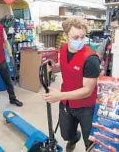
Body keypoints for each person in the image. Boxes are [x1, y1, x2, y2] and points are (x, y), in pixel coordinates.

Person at [43, 17, 100, 152]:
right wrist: (54, 67)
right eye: (75, 37)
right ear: (65, 36)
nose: (80, 41)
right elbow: (66, 66)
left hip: (86, 106)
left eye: (82, 37)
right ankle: (74, 138)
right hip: (67, 102)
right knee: (66, 134)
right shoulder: (63, 49)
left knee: (90, 142)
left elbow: (87, 90)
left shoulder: (91, 59)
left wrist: (59, 95)